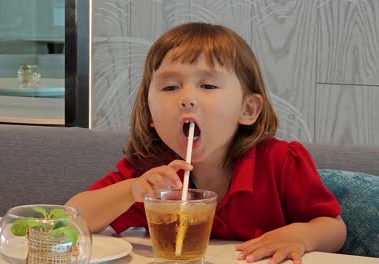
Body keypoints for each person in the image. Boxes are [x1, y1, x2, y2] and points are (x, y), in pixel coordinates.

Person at [65, 22, 346, 264]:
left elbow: (334, 228)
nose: (186, 98)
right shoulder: (150, 174)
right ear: (150, 113)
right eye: (170, 87)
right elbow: (74, 220)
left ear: (247, 109)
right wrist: (133, 190)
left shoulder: (280, 162)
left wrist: (301, 236)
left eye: (208, 86)